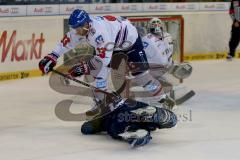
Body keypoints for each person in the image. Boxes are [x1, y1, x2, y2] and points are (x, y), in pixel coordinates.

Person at [38, 9, 175, 118]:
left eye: (78, 27)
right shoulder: (80, 28)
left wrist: (85, 67)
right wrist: (52, 56)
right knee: (100, 74)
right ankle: (100, 103)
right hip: (114, 43)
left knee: (141, 75)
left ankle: (163, 98)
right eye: (74, 28)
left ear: (87, 24)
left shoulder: (99, 32)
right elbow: (65, 43)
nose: (76, 31)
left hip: (131, 42)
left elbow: (104, 59)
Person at [80, 93, 177, 148]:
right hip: (121, 124)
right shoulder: (102, 118)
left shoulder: (124, 103)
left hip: (129, 115)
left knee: (133, 114)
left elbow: (137, 105)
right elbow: (86, 128)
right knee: (119, 126)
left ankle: (160, 116)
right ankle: (138, 134)